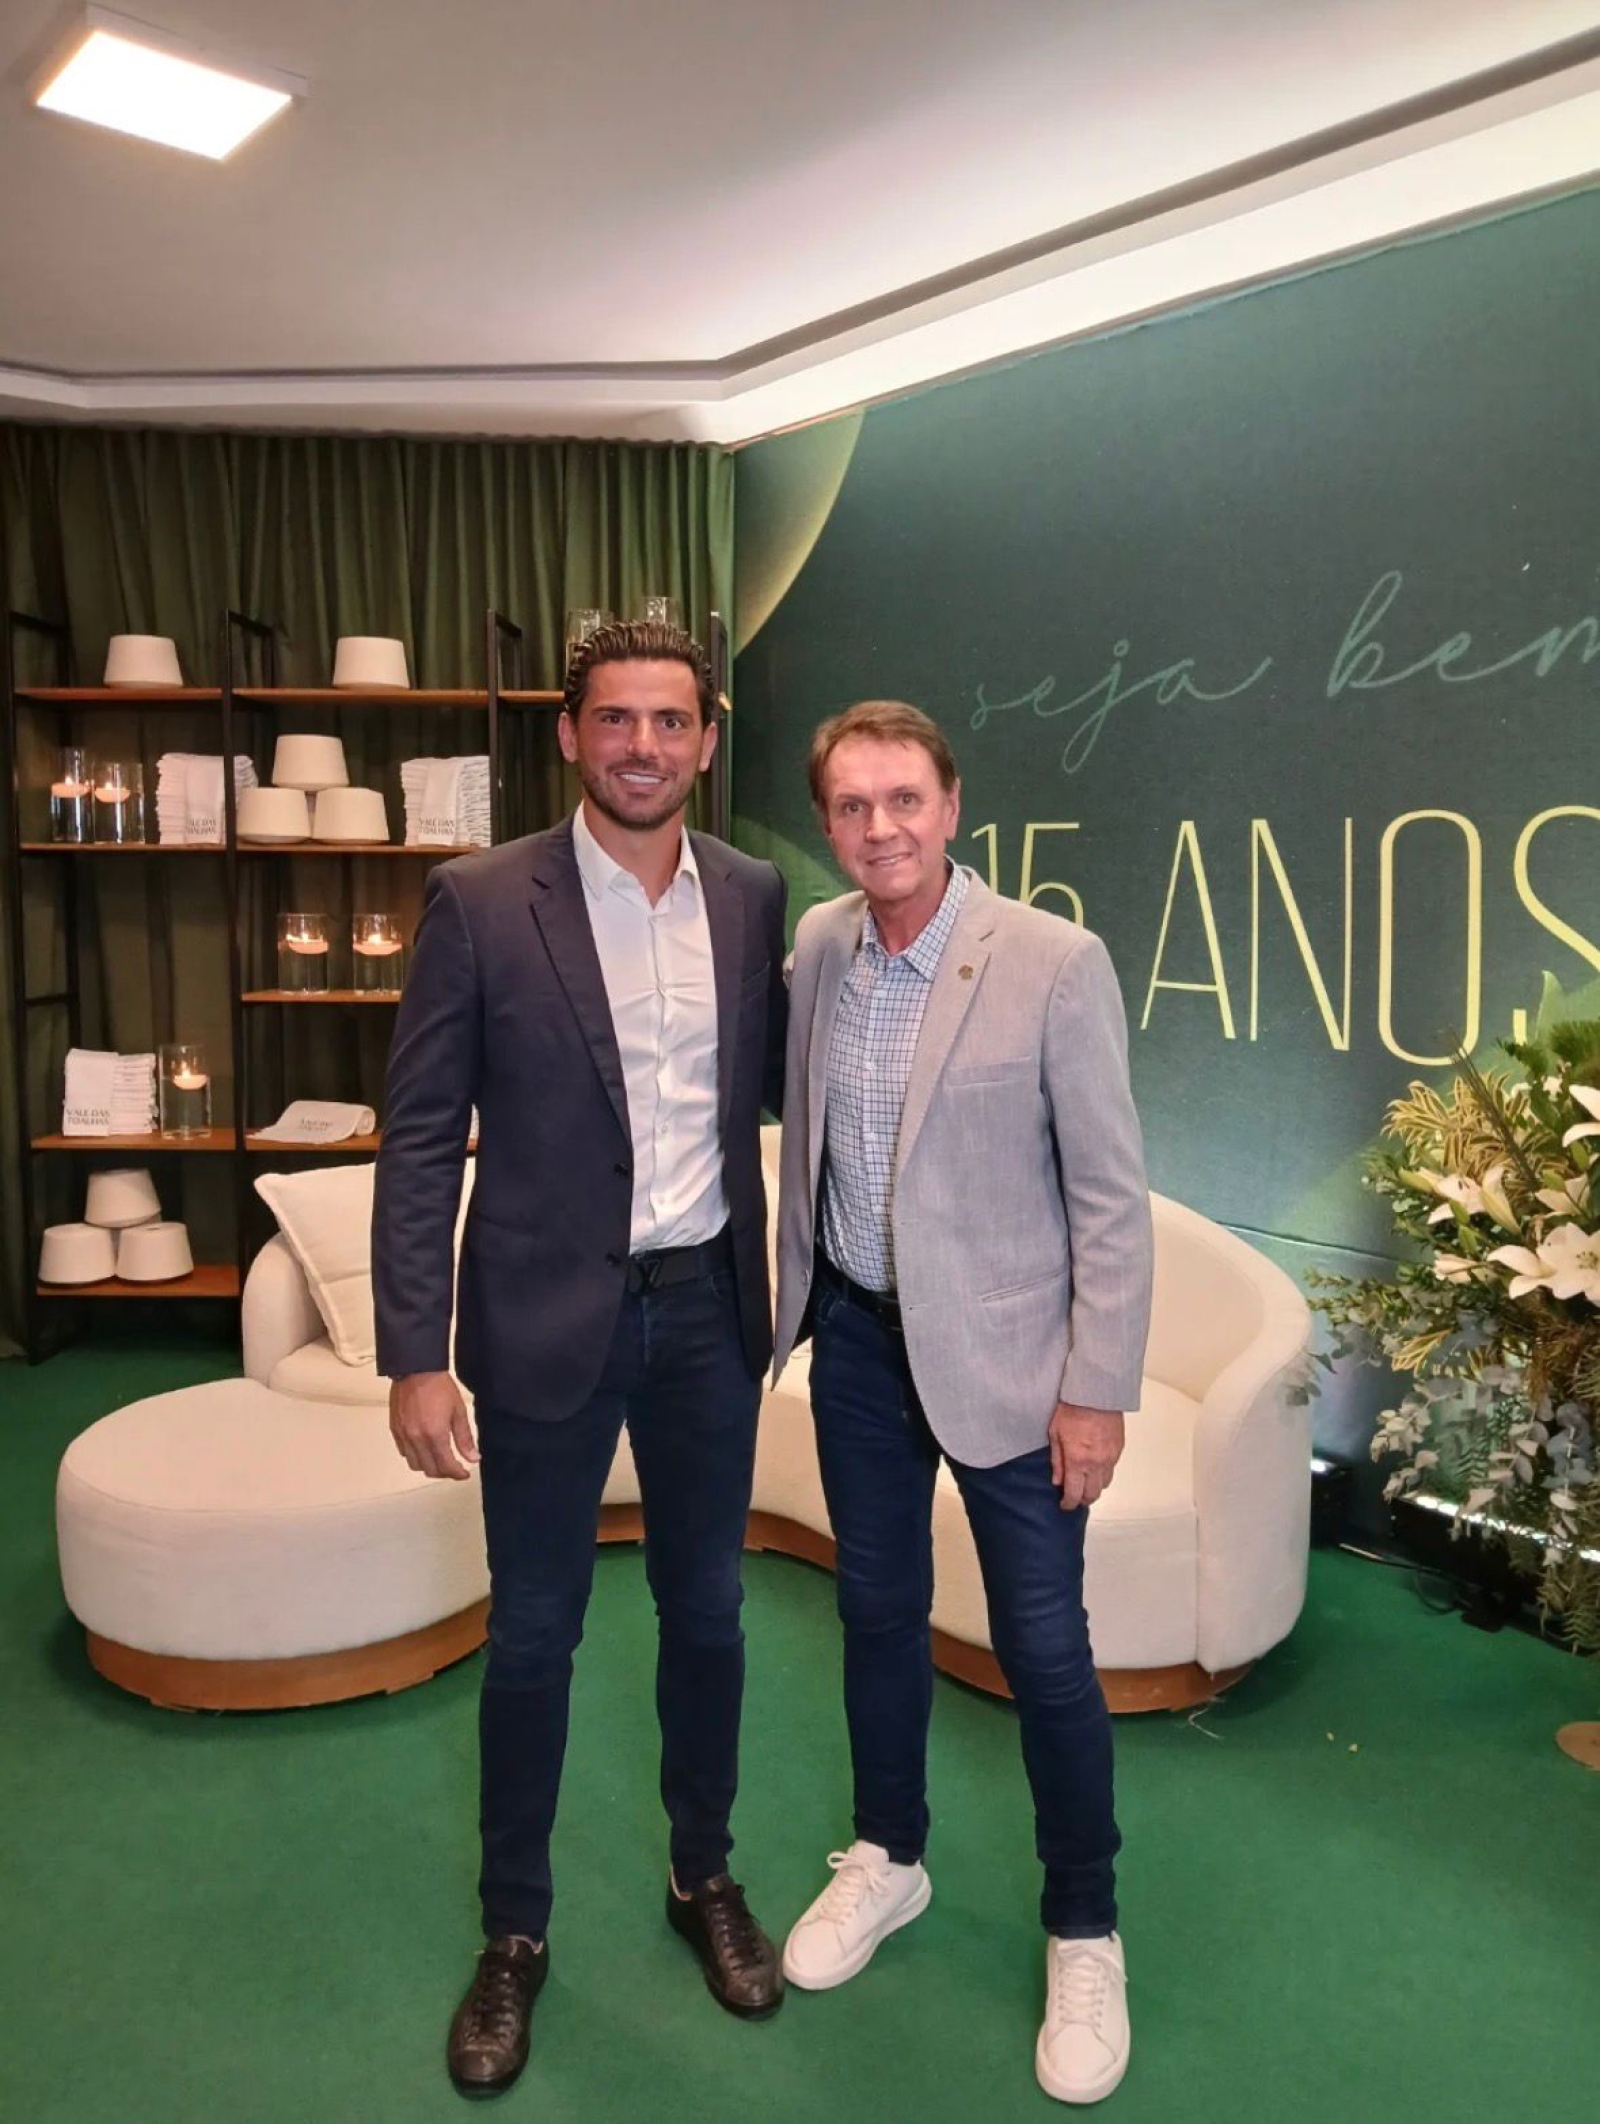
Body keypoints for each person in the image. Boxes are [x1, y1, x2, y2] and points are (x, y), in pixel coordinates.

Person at [373, 619, 790, 2097]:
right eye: (615, 719)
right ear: (568, 735)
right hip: (543, 1319)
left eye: (670, 721)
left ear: (707, 739)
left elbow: (774, 1096)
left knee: (711, 1617)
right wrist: (414, 1353)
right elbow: (422, 1137)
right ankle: (515, 1932)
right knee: (535, 1636)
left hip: (706, 1318)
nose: (642, 747)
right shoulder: (481, 902)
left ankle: (702, 1875)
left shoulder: (753, 895)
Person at [771, 700, 1152, 2105]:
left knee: (1045, 1653)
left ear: (952, 805)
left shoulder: (1053, 962)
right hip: (858, 1350)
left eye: (905, 800)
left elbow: (1109, 1197)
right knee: (874, 1616)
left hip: (1013, 1367)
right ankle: (889, 1856)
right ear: (828, 822)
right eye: (852, 806)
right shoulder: (819, 949)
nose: (881, 827)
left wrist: (1095, 1390)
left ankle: (1084, 1927)